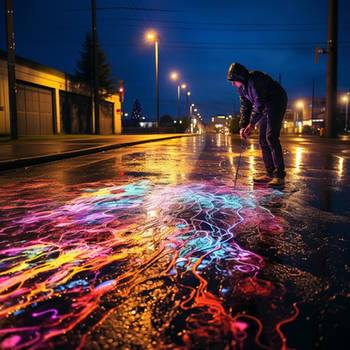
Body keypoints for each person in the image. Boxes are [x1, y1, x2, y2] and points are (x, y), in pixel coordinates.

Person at [227, 62, 288, 187]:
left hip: (276, 101)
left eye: (234, 80)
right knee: (262, 139)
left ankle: (279, 176)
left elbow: (259, 103)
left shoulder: (256, 79)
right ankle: (270, 174)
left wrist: (251, 124)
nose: (233, 84)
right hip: (264, 107)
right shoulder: (241, 88)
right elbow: (246, 106)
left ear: (240, 77)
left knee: (271, 136)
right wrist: (243, 126)